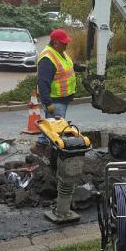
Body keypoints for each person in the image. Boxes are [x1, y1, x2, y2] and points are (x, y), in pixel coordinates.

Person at [32, 28, 82, 156]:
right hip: (55, 100)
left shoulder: (60, 52)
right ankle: (49, 151)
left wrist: (77, 67)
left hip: (62, 98)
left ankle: (41, 147)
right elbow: (43, 82)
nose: (66, 44)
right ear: (55, 42)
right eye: (64, 42)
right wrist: (47, 103)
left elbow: (64, 68)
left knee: (51, 125)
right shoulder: (47, 58)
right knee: (56, 128)